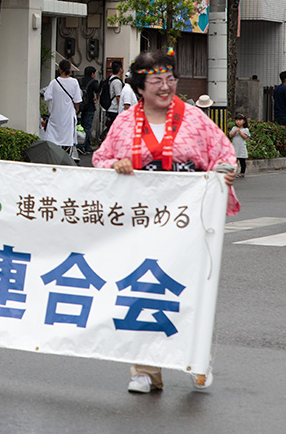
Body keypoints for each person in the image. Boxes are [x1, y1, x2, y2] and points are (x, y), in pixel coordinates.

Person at [92, 50, 239, 394]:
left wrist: (225, 173)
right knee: (143, 290)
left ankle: (196, 358)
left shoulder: (195, 118)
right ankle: (144, 370)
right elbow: (101, 159)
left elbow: (224, 155)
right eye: (156, 80)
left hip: (189, 224)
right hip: (142, 224)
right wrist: (116, 166)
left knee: (190, 293)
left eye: (170, 79)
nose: (165, 86)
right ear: (140, 87)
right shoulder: (126, 122)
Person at [42, 59, 82, 153]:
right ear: (70, 69)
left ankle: (54, 157)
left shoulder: (54, 82)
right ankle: (66, 156)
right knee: (67, 139)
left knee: (53, 139)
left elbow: (46, 96)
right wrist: (76, 109)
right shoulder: (74, 82)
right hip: (68, 116)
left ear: (59, 69)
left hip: (56, 116)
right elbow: (77, 100)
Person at [79, 66, 100, 154]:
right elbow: (98, 89)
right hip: (90, 107)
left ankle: (88, 147)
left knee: (82, 126)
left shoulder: (79, 81)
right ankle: (81, 146)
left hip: (81, 106)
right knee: (87, 128)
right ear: (92, 73)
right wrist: (97, 98)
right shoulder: (94, 81)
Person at [104, 60, 124, 134]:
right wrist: (121, 110)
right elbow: (118, 97)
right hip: (114, 109)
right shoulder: (117, 82)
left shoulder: (110, 78)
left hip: (110, 108)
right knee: (116, 130)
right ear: (120, 69)